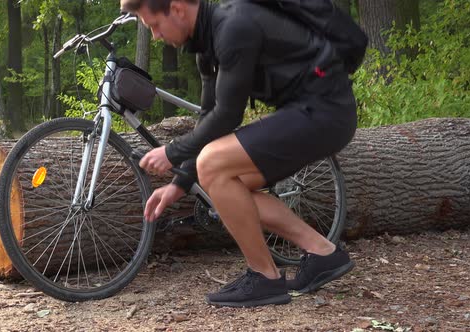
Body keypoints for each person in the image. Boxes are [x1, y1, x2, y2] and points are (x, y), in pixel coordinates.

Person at [121, 0, 357, 308]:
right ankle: (323, 253)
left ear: (177, 8)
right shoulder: (206, 44)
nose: (154, 35)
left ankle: (264, 277)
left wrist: (173, 151)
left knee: (213, 164)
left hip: (326, 113)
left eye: (153, 24)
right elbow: (209, 116)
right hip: (309, 114)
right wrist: (178, 185)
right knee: (224, 182)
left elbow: (228, 115)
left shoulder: (233, 27)